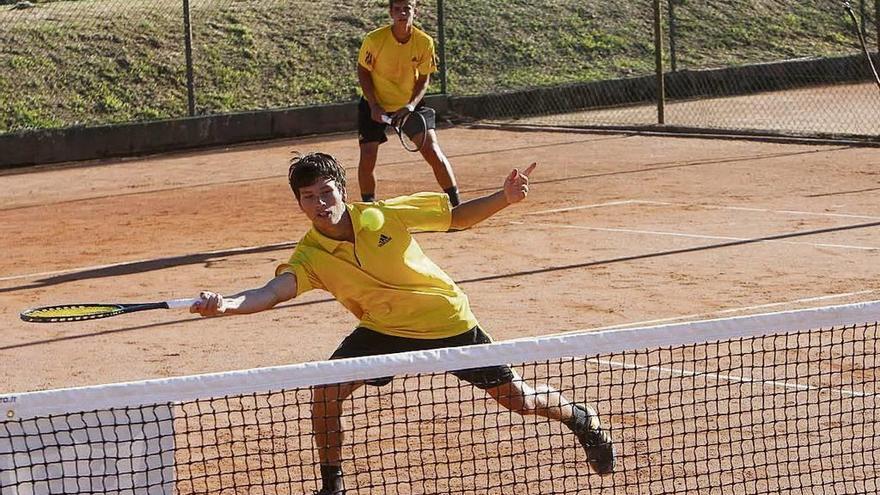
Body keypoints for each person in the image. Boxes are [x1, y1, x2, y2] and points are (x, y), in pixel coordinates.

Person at [191, 152, 615, 495]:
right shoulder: (309, 256)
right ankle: (331, 484)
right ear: (299, 203)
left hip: (446, 321)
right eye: (309, 197)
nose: (321, 204)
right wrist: (226, 304)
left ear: (342, 189)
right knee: (325, 393)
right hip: (384, 330)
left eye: (326, 192)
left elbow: (458, 218)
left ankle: (580, 417)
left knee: (519, 401)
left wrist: (504, 197)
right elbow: (272, 292)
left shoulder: (382, 216)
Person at [356, 0, 461, 206]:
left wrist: (411, 106)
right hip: (375, 104)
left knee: (432, 151)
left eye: (407, 8)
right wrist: (374, 106)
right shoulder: (375, 39)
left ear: (415, 11)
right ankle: (368, 207)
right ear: (390, 12)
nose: (402, 13)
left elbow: (423, 79)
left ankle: (457, 205)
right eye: (397, 9)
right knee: (368, 155)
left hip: (410, 106)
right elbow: (363, 71)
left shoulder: (424, 42)